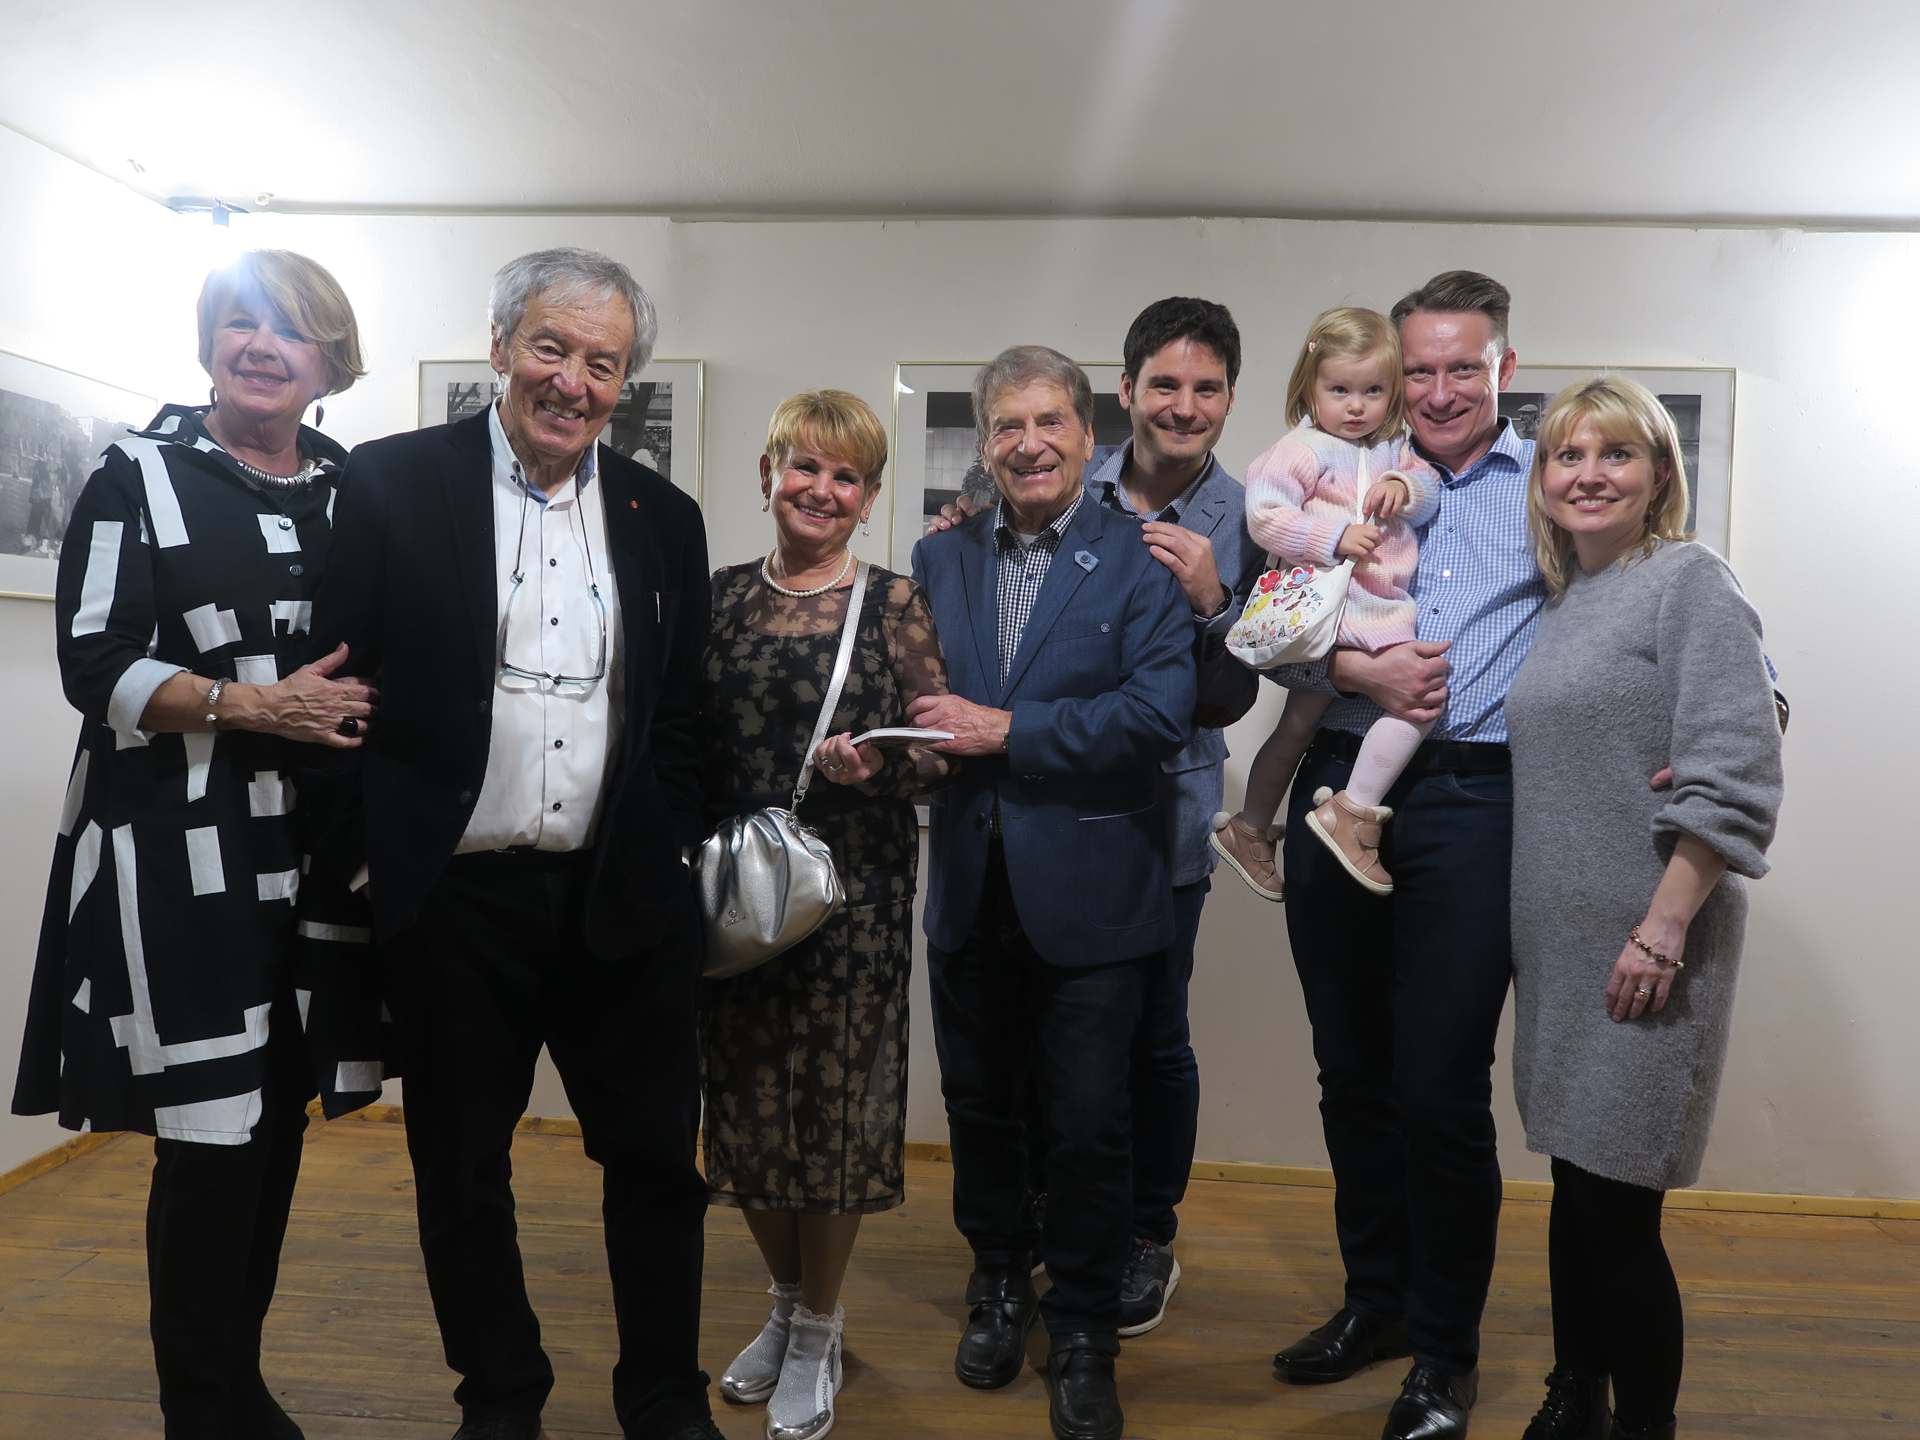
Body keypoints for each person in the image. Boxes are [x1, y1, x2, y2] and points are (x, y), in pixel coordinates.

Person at [306, 248, 722, 1440]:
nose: (572, 382)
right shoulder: (392, 483)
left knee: (656, 1166)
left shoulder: (663, 517)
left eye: (603, 363)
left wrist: (666, 848)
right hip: (455, 904)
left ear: (625, 382)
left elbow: (681, 716)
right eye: (551, 348)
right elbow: (333, 687)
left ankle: (664, 1398)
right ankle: (500, 1396)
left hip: (621, 900)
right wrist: (382, 857)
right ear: (499, 347)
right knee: (460, 1169)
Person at [11, 249, 373, 1438]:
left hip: (313, 862)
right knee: (210, 1141)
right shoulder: (137, 474)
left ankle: (238, 1382)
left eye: (292, 330)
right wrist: (253, 705)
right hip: (182, 856)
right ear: (210, 341)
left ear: (331, 363)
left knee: (272, 1129)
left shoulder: (351, 491)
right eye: (241, 322)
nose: (263, 345)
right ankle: (202, 1409)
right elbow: (95, 664)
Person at [1265, 271, 1541, 1440]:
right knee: (1353, 1073)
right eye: (1417, 369)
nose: (1436, 391)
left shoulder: (1552, 483)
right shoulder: (1338, 468)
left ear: (1503, 370)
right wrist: (1343, 668)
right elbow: (1260, 629)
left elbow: (1651, 609)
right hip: (1338, 778)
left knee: (1439, 1087)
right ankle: (1374, 1302)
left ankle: (1443, 1352)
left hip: (1476, 799)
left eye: (1460, 368)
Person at [908, 345, 1196, 1440]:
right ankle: (996, 1282)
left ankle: (1082, 1330)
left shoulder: (1142, 559)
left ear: (1087, 433)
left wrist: (1008, 730)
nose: (1029, 443)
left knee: (1087, 1127)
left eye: (1049, 422)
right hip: (970, 886)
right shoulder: (939, 557)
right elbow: (921, 703)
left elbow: (1158, 716)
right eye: (1007, 425)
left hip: (1095, 895)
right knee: (980, 1107)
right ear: (985, 444)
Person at [1505, 378, 1782, 1440]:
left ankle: (1643, 1425)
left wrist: (1663, 929)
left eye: (1615, 454)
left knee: (1619, 1207)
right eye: (1567, 455)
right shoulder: (1566, 600)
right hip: (1561, 947)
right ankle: (1575, 1392)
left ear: (1660, 473)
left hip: (1649, 940)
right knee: (1577, 1185)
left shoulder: (1688, 581)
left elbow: (1738, 764)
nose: (1588, 475)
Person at [703, 390, 953, 1440]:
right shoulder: (719, 597)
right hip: (734, 899)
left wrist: (875, 770)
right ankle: (784, 1302)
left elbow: (938, 753)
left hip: (855, 897)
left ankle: (819, 1326)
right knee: (746, 1106)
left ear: (869, 497)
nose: (821, 489)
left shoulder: (892, 603)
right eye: (804, 466)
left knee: (837, 1117)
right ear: (769, 474)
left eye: (846, 476)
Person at [1210, 306, 1440, 899]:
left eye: (1373, 391)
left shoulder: (1395, 448)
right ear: (1310, 387)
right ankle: (1353, 811)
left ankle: (1249, 828)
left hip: (1377, 604)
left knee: (1299, 723)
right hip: (1337, 612)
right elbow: (1265, 514)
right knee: (1419, 701)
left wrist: (1405, 486)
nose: (1356, 406)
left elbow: (1431, 490)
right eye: (1340, 390)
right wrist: (1332, 536)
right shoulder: (1302, 447)